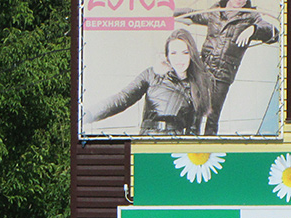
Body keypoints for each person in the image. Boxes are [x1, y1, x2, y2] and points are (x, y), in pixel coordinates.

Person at [175, 0, 280, 135]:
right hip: (203, 69)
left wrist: (253, 29)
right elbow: (193, 15)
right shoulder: (215, 12)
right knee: (195, 112)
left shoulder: (250, 16)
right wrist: (169, 13)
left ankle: (209, 148)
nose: (240, 1)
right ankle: (190, 146)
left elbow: (273, 34)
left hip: (223, 74)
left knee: (212, 116)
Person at [84, 29, 212, 135]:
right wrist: (88, 115)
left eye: (185, 53)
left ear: (191, 55)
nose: (179, 59)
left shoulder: (197, 85)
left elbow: (194, 130)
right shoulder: (152, 75)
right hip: (148, 141)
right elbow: (122, 99)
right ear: (167, 56)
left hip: (175, 145)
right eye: (174, 53)